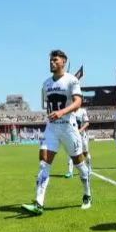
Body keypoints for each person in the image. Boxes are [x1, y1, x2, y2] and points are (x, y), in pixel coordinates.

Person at [22, 50, 92, 215]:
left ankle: (87, 194)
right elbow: (47, 106)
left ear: (64, 62)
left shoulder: (72, 80)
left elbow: (78, 102)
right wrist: (54, 115)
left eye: (55, 60)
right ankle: (39, 203)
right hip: (52, 128)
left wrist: (62, 112)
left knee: (79, 165)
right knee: (43, 162)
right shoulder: (46, 83)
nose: (51, 63)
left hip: (68, 127)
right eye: (50, 61)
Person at [65, 107, 91, 178]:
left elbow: (87, 123)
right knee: (70, 153)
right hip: (72, 136)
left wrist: (80, 130)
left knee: (85, 153)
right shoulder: (69, 111)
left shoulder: (82, 111)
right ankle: (70, 172)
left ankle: (89, 168)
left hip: (82, 136)